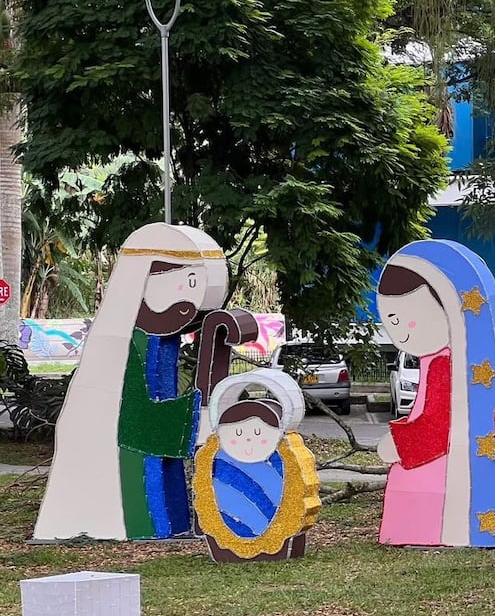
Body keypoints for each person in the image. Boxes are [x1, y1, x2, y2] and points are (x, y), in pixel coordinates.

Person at [34, 223, 227, 541]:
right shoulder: (124, 350)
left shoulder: (153, 343)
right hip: (118, 462)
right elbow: (137, 425)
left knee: (163, 477)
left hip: (136, 440)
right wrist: (192, 417)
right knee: (148, 483)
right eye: (186, 286)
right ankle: (140, 526)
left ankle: (170, 525)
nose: (187, 312)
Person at [374, 239, 495, 548]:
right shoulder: (434, 360)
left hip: (436, 464)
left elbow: (438, 424)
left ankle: (428, 530)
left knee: (408, 481)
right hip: (430, 459)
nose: (399, 331)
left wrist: (400, 444)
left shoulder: (444, 365)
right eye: (390, 320)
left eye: (402, 318)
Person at [192, 368, 320, 562]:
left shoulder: (283, 456)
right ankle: (226, 549)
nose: (248, 440)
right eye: (238, 433)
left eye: (258, 433)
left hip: (276, 521)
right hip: (226, 519)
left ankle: (276, 547)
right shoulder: (217, 457)